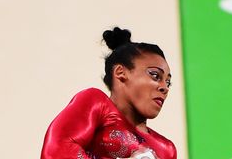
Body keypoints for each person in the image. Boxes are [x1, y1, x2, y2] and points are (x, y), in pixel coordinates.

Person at [41, 27, 177, 159]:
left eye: (168, 82)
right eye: (155, 75)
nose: (165, 87)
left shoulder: (167, 150)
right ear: (120, 72)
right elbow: (56, 152)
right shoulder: (95, 103)